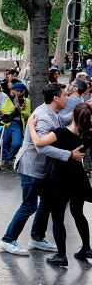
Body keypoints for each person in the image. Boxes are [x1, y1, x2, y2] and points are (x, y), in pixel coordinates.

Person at [0, 82, 70, 256]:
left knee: (46, 201)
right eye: (65, 95)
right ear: (56, 98)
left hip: (42, 168)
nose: (67, 98)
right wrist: (69, 154)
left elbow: (63, 121)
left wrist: (83, 108)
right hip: (31, 167)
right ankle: (8, 240)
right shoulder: (43, 117)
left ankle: (37, 237)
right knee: (29, 205)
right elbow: (42, 147)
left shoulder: (51, 112)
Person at [27, 104, 92, 266]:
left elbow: (39, 142)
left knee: (58, 217)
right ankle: (87, 247)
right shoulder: (88, 135)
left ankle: (61, 255)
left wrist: (30, 126)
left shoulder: (61, 133)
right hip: (78, 177)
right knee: (78, 213)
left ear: (73, 116)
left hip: (60, 179)